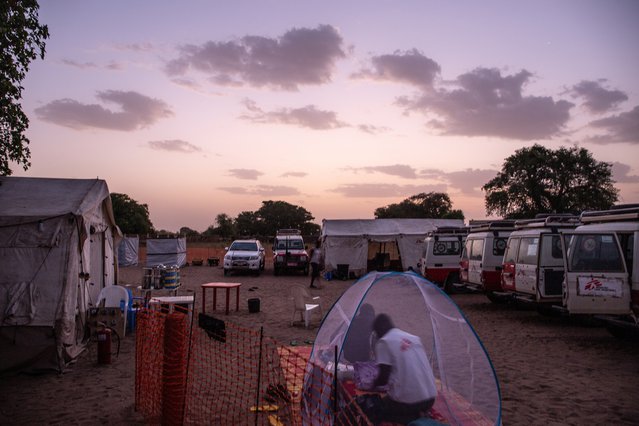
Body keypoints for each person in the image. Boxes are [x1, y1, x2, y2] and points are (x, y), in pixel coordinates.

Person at [369, 313, 437, 425]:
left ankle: (410, 418)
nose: (377, 336)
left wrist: (372, 385)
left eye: (376, 333)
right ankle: (418, 413)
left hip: (408, 403)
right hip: (430, 400)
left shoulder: (384, 342)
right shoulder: (414, 338)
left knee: (377, 408)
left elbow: (383, 378)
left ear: (380, 329)